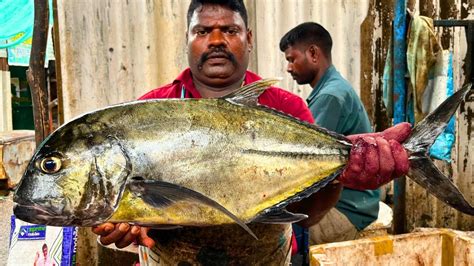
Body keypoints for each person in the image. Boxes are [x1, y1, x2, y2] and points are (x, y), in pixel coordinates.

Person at [92, 1, 410, 265]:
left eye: (230, 30)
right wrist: (124, 224)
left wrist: (343, 173)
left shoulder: (287, 107)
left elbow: (306, 214)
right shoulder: (150, 110)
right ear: (187, 39)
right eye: (202, 31)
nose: (216, 40)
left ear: (249, 38)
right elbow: (130, 216)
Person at [279, 21, 396, 253]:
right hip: (358, 203)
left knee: (272, 238)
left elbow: (303, 162)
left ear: (313, 53)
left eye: (292, 59)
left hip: (347, 210)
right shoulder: (333, 88)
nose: (289, 68)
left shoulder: (331, 97)